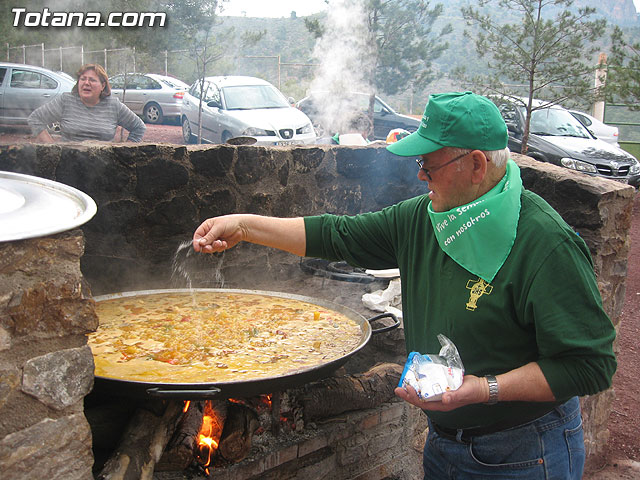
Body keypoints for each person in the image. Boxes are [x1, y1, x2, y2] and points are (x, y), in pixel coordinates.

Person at [192, 91, 617, 479]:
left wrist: (483, 390)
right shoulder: (426, 217)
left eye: (429, 165)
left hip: (524, 450)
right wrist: (245, 226)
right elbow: (336, 234)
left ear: (476, 165)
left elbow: (589, 365)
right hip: (446, 443)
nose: (420, 176)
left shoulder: (545, 242)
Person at [28, 63, 146, 143]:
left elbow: (139, 128)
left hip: (103, 168)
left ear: (103, 85)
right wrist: (52, 148)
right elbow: (35, 119)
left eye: (92, 80)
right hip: (67, 165)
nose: (86, 83)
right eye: (83, 79)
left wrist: (124, 152)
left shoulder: (113, 105)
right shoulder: (66, 101)